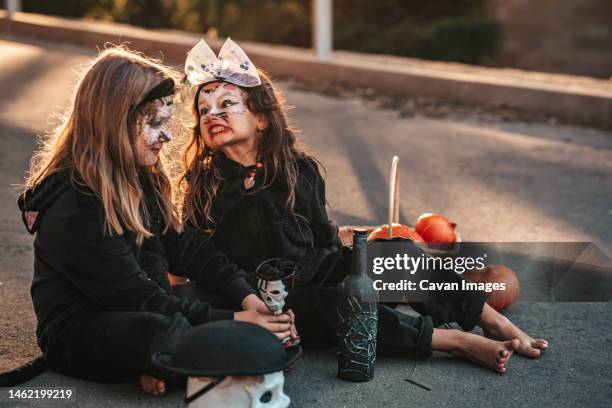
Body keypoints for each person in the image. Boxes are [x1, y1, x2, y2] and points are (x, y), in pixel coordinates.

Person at [179, 38, 549, 374]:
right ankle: (454, 342)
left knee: (393, 254)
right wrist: (242, 301)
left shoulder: (299, 171)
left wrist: (356, 262)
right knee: (341, 306)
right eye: (205, 110)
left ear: (261, 117)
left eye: (226, 104)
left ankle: (488, 318)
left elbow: (322, 239)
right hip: (266, 297)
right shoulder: (205, 185)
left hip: (315, 267)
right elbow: (200, 255)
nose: (212, 115)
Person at [17, 46, 293, 395]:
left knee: (227, 297)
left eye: (167, 122)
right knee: (163, 332)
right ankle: (159, 360)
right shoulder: (75, 208)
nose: (166, 136)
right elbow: (137, 298)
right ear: (115, 122)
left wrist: (249, 299)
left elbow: (185, 247)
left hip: (148, 303)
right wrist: (240, 322)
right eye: (155, 123)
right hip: (86, 330)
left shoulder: (138, 174)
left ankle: (165, 366)